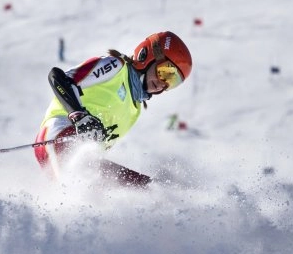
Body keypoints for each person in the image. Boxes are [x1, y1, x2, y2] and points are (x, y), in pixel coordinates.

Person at [33, 30, 192, 186]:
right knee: (82, 176)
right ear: (146, 55)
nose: (163, 84)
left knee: (146, 189)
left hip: (82, 158)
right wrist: (79, 116)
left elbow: (96, 154)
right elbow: (57, 77)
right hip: (58, 135)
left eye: (172, 82)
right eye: (165, 73)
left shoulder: (134, 109)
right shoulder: (115, 67)